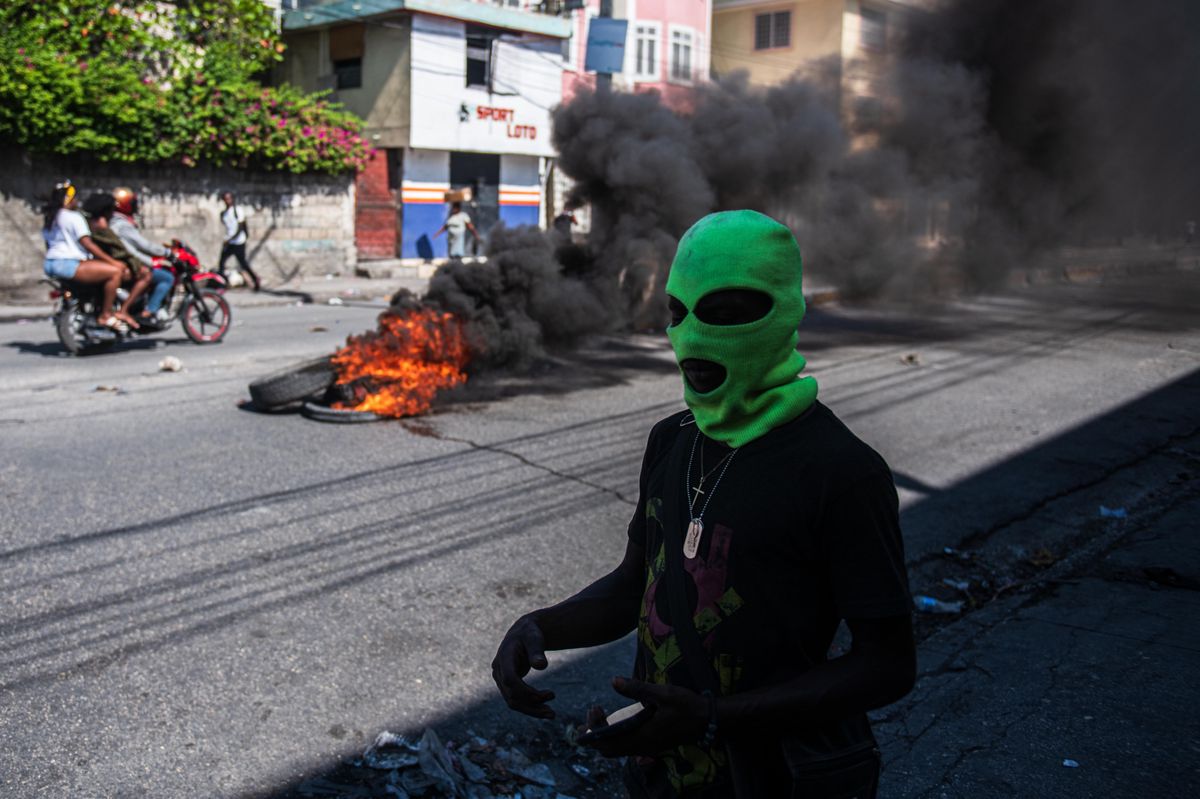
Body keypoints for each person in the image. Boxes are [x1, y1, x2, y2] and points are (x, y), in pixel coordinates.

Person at [493, 211, 916, 798]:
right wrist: (540, 626)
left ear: (780, 313)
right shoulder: (673, 440)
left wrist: (717, 716)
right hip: (659, 775)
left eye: (722, 313)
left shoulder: (840, 471)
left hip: (772, 779)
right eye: (678, 313)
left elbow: (887, 664)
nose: (691, 337)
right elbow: (636, 583)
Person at [41, 180, 133, 330]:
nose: (77, 201)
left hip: (51, 263)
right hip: (69, 264)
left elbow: (48, 244)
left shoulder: (51, 218)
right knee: (115, 272)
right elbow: (87, 244)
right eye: (75, 198)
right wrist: (112, 262)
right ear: (69, 199)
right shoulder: (73, 217)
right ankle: (106, 315)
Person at [81, 192, 154, 329]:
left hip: (97, 262)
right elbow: (120, 250)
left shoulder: (90, 223)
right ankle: (123, 311)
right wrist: (140, 263)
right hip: (109, 263)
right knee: (146, 274)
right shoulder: (103, 226)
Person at [111, 187, 176, 324]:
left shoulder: (111, 222)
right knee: (167, 278)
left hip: (122, 262)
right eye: (133, 204)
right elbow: (144, 246)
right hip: (131, 264)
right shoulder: (123, 225)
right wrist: (167, 253)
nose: (135, 207)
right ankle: (149, 311)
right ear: (126, 205)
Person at [218, 191, 260, 291]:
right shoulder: (224, 214)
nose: (228, 201)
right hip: (230, 242)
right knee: (221, 262)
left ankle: (255, 279)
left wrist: (231, 239)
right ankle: (222, 284)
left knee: (243, 264)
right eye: (226, 199)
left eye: (229, 198)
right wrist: (228, 239)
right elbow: (228, 227)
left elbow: (240, 228)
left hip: (239, 242)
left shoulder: (238, 211)